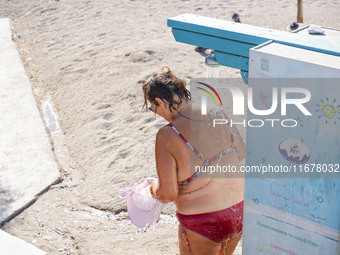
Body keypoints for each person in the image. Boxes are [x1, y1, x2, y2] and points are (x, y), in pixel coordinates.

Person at [142, 67, 245, 255]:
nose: (156, 113)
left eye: (153, 108)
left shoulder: (167, 135)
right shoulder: (217, 112)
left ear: (160, 102)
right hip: (239, 211)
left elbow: (169, 194)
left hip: (205, 221)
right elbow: (241, 152)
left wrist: (151, 189)